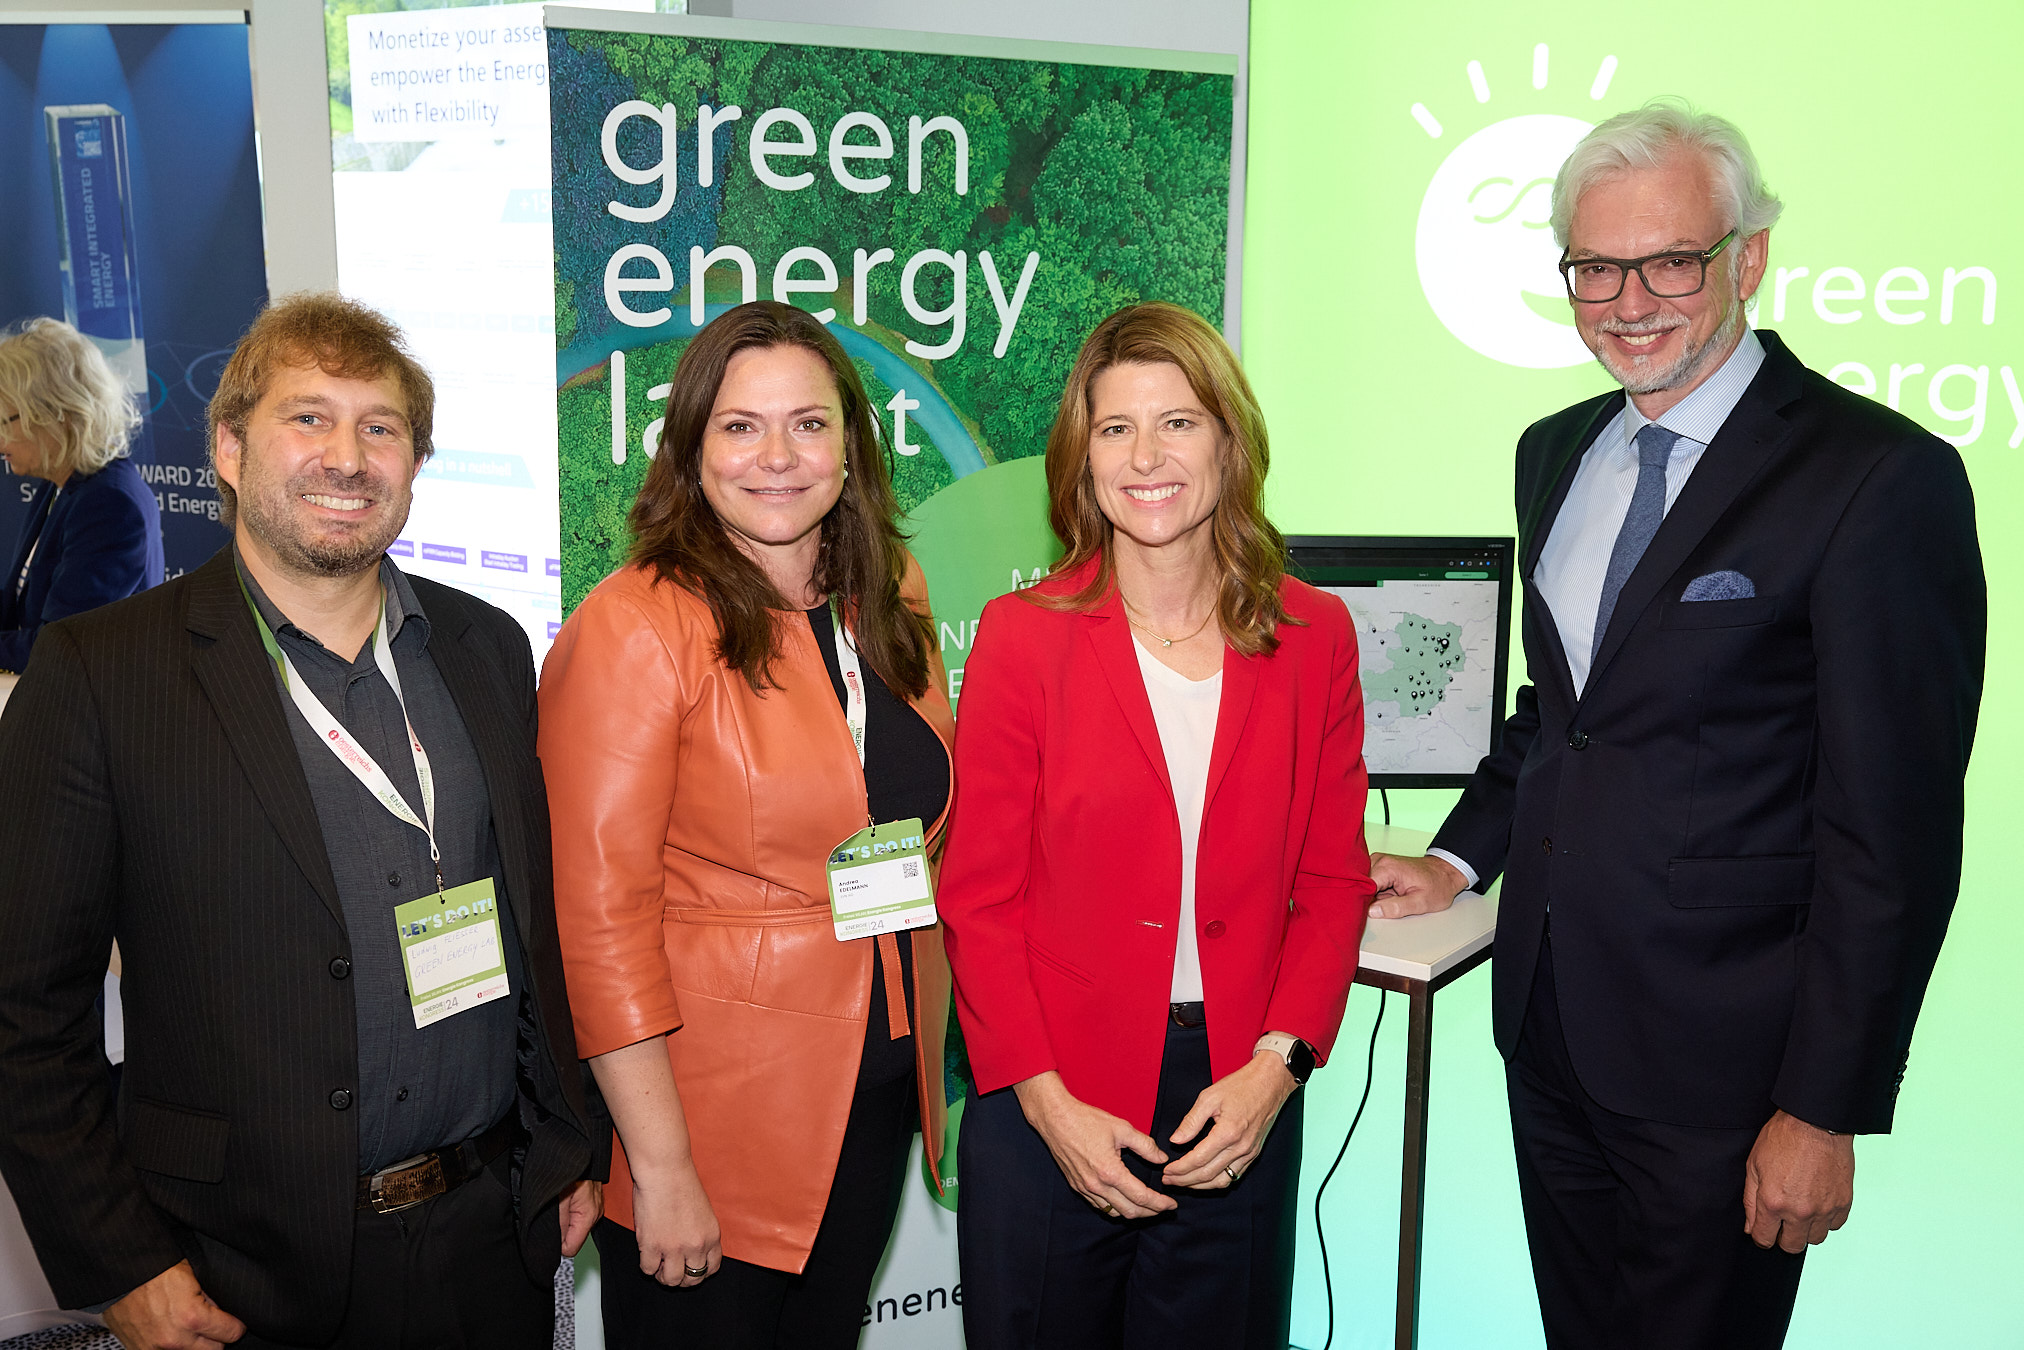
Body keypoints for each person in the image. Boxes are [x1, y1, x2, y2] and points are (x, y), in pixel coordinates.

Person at [1370, 100, 1985, 1349]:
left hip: (1732, 1076)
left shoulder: (1877, 478)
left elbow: (1893, 834)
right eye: (1593, 267)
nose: (1626, 299)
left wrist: (1824, 1109)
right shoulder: (1555, 452)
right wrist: (1452, 856)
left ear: (1745, 259)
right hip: (1547, 1030)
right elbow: (1561, 709)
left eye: (1668, 261)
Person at [0, 293, 606, 1350]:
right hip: (239, 1269)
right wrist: (122, 1259)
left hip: (487, 1241)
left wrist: (560, 1148)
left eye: (381, 427)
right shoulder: (102, 674)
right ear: (229, 450)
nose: (348, 455)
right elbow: (24, 1008)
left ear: (414, 463)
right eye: (309, 418)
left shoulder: (487, 649)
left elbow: (531, 934)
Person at [938, 301, 1372, 1349]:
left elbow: (1330, 883)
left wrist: (1278, 1068)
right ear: (1080, 461)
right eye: (1114, 428)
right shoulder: (1022, 637)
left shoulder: (1314, 635)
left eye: (1176, 422)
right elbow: (977, 898)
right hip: (1049, 1092)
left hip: (1236, 1095)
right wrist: (1046, 1108)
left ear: (1229, 442)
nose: (1145, 456)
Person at [539, 300, 955, 1349]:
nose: (777, 456)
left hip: (868, 1094)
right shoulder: (634, 628)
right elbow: (600, 926)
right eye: (738, 426)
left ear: (851, 449)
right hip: (714, 1124)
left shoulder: (887, 594)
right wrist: (662, 1169)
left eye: (808, 425)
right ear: (689, 447)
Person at [0, 317, 163, 670]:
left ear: (54, 415)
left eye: (4, 421)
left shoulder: (111, 506)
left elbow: (63, 644)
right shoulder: (60, 485)